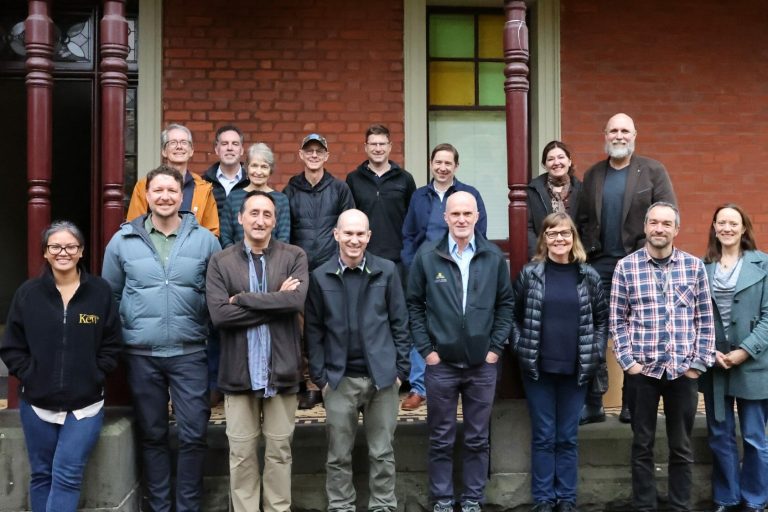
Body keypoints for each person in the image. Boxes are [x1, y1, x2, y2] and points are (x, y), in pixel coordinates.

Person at [102, 165, 221, 512]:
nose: (166, 197)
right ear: (147, 196)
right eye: (158, 191)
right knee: (153, 434)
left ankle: (187, 506)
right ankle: (158, 505)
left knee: (193, 433)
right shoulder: (122, 241)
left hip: (189, 351)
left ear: (182, 195)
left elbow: (216, 295)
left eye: (172, 191)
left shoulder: (205, 240)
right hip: (142, 354)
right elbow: (109, 296)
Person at [1, 221, 121, 512]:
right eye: (55, 246)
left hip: (85, 406)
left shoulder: (100, 293)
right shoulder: (28, 294)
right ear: (45, 252)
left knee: (67, 475)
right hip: (38, 404)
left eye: (70, 246)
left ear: (81, 252)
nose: (63, 252)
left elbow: (113, 343)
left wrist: (95, 373)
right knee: (41, 474)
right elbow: (12, 346)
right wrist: (31, 374)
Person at [407, 191, 513, 512]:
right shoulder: (428, 256)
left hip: (482, 365)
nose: (462, 219)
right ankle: (441, 498)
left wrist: (495, 348)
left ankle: (472, 499)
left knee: (477, 438)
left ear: (477, 216)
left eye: (468, 213)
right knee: (441, 437)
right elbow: (413, 304)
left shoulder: (492, 257)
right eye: (456, 214)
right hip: (441, 365)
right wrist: (427, 350)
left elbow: (505, 304)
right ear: (446, 217)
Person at [206, 190, 308, 512]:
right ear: (240, 218)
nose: (260, 220)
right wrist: (274, 301)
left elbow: (295, 302)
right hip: (239, 373)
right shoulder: (221, 261)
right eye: (254, 213)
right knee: (242, 453)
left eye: (267, 214)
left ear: (275, 220)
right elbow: (220, 315)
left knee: (280, 452)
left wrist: (244, 298)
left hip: (282, 372)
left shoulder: (294, 256)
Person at [611, 202, 715, 512]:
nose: (659, 228)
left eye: (666, 224)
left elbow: (705, 320)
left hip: (683, 372)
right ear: (645, 227)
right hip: (643, 373)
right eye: (654, 222)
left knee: (681, 446)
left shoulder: (693, 267)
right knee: (642, 445)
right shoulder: (626, 267)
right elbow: (617, 320)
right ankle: (645, 506)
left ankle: (680, 506)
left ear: (676, 230)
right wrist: (629, 363)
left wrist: (698, 365)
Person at [305, 209, 410, 512]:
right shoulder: (320, 275)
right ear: (336, 234)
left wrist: (400, 370)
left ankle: (383, 506)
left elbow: (399, 323)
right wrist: (321, 378)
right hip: (339, 379)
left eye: (360, 233)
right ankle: (341, 506)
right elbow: (313, 331)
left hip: (383, 378)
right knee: (338, 454)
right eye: (348, 233)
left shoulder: (387, 271)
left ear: (369, 237)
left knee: (382, 452)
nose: (354, 239)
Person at [577, 113, 677, 425]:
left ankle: (630, 403)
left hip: (640, 264)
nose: (619, 135)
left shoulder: (652, 171)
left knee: (636, 334)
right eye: (613, 131)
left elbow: (669, 212)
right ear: (604, 135)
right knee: (596, 331)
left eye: (625, 131)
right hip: (600, 265)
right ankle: (594, 402)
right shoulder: (593, 174)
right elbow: (581, 220)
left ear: (634, 135)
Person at [512, 213, 608, 512]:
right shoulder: (531, 273)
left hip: (575, 369)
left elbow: (602, 320)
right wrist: (520, 347)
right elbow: (513, 317)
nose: (559, 239)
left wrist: (594, 351)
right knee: (543, 436)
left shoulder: (588, 275)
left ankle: (566, 498)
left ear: (573, 238)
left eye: (565, 234)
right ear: (544, 239)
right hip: (538, 369)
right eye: (552, 234)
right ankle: (543, 499)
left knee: (567, 437)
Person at [400, 143, 488, 411]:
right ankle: (419, 387)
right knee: (420, 323)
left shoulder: (469, 195)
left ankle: (459, 381)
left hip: (460, 267)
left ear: (456, 166)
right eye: (438, 162)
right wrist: (411, 264)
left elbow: (480, 233)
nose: (442, 167)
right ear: (431, 164)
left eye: (448, 163)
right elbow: (409, 235)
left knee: (459, 321)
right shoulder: (419, 197)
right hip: (425, 269)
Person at [701, 204, 768, 512]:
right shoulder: (702, 267)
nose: (727, 228)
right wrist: (707, 351)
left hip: (753, 364)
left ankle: (755, 499)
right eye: (722, 222)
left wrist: (745, 350)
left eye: (733, 223)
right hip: (715, 363)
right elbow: (694, 317)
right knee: (720, 434)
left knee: (754, 436)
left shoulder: (763, 265)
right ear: (715, 227)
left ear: (744, 229)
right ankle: (726, 497)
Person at [283, 133, 355, 409]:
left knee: (332, 326)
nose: (314, 155)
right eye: (309, 151)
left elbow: (349, 229)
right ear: (301, 155)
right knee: (302, 330)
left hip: (330, 268)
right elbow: (286, 231)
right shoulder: (290, 190)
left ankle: (330, 382)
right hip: (300, 269)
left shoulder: (339, 189)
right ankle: (310, 383)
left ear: (327, 156)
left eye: (319, 151)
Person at [202, 124, 248, 407]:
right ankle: (215, 384)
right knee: (215, 324)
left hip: (249, 262)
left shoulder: (253, 182)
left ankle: (242, 381)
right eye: (224, 143)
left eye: (235, 144)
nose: (230, 148)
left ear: (242, 150)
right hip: (213, 264)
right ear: (216, 149)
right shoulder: (204, 185)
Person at [346, 124, 416, 277]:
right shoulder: (353, 179)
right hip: (363, 257)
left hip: (397, 260)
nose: (378, 149)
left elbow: (413, 219)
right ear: (366, 147)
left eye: (382, 144)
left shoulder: (405, 179)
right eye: (373, 144)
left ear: (390, 146)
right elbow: (349, 219)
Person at [126, 123, 220, 236]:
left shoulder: (204, 189)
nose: (179, 146)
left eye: (184, 142)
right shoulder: (144, 185)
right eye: (173, 143)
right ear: (164, 151)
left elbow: (212, 233)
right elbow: (134, 227)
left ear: (191, 151)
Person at [220, 143, 291, 247]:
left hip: (272, 261)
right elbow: (225, 237)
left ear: (270, 170)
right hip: (236, 260)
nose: (258, 172)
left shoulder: (281, 200)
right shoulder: (233, 198)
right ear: (246, 168)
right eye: (254, 165)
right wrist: (236, 260)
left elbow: (283, 238)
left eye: (264, 167)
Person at [526, 141, 582, 259]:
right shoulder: (533, 190)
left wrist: (580, 254)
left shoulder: (582, 190)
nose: (556, 162)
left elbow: (587, 226)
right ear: (544, 164)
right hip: (542, 258)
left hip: (574, 258)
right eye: (550, 159)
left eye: (561, 157)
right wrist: (539, 255)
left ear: (569, 161)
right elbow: (528, 227)